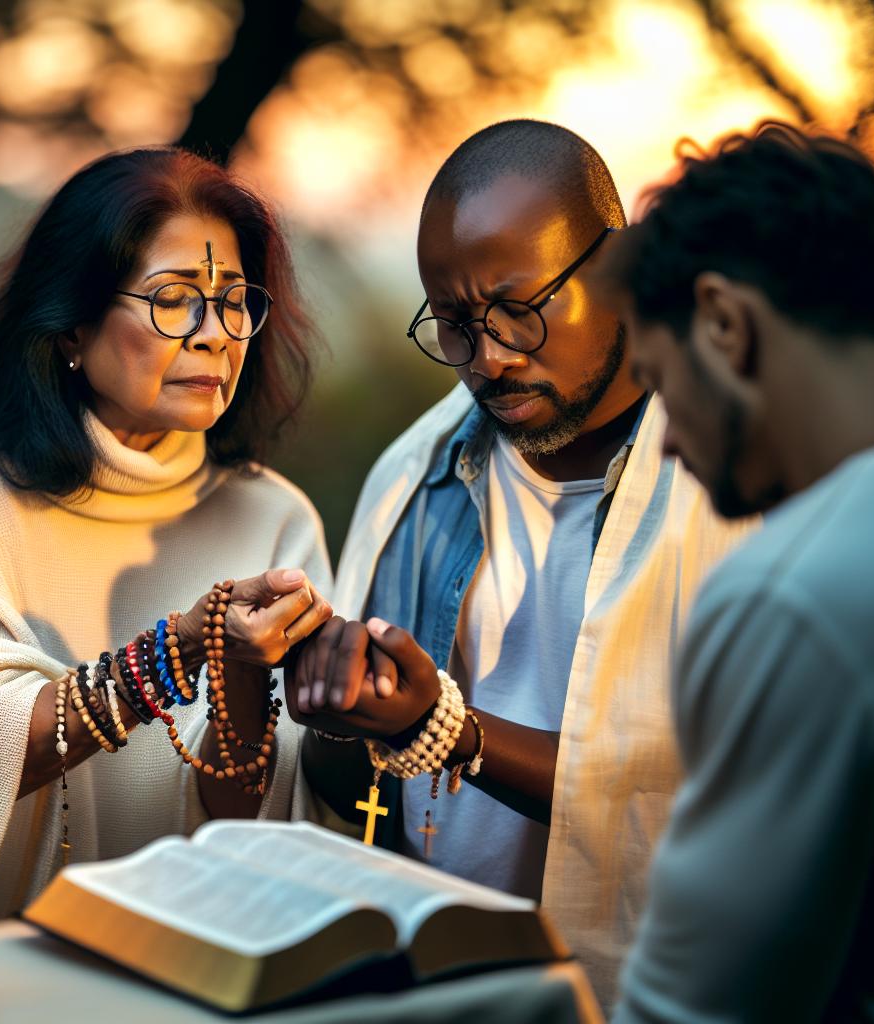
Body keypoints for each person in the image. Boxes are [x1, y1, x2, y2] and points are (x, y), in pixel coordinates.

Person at [286, 120, 752, 1003]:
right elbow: (345, 798)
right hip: (433, 994)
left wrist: (446, 728)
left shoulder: (733, 486)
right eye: (455, 325)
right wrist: (344, 714)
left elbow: (705, 799)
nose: (491, 357)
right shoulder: (411, 483)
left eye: (519, 309)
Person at [0, 147, 335, 926]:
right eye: (174, 300)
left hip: (184, 951)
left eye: (234, 302)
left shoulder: (276, 520)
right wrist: (181, 648)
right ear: (71, 325)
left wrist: (244, 674)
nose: (215, 336)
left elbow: (252, 824)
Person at [600, 124, 874, 1022]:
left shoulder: (798, 594)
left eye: (659, 382)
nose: (669, 444)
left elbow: (694, 1012)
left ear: (724, 322)